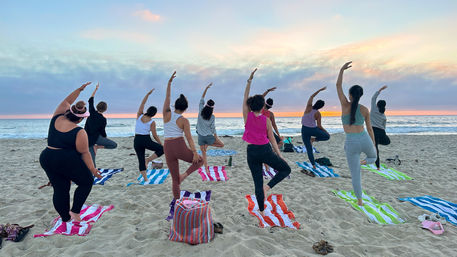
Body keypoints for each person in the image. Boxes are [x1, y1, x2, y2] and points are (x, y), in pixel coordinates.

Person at [39, 82, 102, 222]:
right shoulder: (79, 131)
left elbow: (68, 101)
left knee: (60, 188)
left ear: (70, 111)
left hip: (47, 157)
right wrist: (93, 170)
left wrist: (80, 89)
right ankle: (75, 212)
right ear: (80, 118)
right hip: (64, 159)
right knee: (86, 182)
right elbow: (85, 153)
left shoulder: (58, 115)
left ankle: (65, 218)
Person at [242, 69, 291, 216]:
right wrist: (279, 154)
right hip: (265, 150)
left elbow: (245, 97)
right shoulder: (267, 120)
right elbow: (272, 139)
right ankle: (267, 188)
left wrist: (249, 81)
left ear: (250, 106)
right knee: (286, 169)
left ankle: (262, 211)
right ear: (263, 107)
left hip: (251, 152)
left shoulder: (247, 115)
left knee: (257, 182)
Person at [336, 61, 377, 206]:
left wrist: (342, 70)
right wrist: (372, 144)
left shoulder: (344, 105)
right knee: (373, 156)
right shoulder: (365, 109)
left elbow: (338, 86)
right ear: (361, 96)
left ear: (350, 95)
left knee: (355, 174)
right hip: (364, 137)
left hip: (351, 142)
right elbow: (370, 129)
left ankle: (360, 201)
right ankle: (363, 162)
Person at [163, 71, 204, 199]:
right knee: (201, 160)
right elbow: (189, 138)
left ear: (174, 105)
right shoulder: (184, 120)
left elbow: (167, 97)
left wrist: (169, 83)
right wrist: (195, 152)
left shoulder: (166, 113)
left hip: (167, 147)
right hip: (179, 146)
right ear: (185, 108)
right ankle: (184, 176)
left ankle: (176, 203)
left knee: (174, 180)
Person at [134, 89, 164, 182]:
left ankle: (145, 179)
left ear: (147, 110)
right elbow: (155, 135)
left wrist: (147, 94)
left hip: (137, 140)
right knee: (162, 149)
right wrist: (161, 144)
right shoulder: (152, 122)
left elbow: (142, 103)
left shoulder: (139, 115)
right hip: (146, 140)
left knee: (140, 159)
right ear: (154, 114)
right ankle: (148, 160)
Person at [84, 83, 117, 167]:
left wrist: (96, 89)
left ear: (97, 106)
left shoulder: (92, 112)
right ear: (105, 109)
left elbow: (90, 100)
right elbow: (102, 131)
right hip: (95, 140)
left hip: (85, 138)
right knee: (114, 145)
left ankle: (96, 147)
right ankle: (97, 147)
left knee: (92, 163)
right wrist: (104, 138)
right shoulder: (103, 119)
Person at [197, 82, 224, 171]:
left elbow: (202, 98)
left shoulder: (201, 110)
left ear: (206, 105)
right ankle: (207, 144)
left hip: (200, 136)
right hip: (208, 136)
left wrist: (206, 88)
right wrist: (216, 138)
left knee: (204, 153)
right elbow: (213, 129)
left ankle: (206, 168)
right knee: (221, 144)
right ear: (212, 108)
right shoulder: (212, 117)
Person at [301, 86, 330, 169]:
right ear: (321, 107)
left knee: (309, 148)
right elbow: (319, 126)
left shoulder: (308, 107)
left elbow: (311, 96)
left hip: (304, 130)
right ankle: (314, 139)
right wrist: (326, 132)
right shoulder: (318, 113)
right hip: (313, 130)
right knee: (327, 137)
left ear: (316, 103)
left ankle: (313, 165)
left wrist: (320, 90)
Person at [371, 85, 390, 170]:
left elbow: (373, 98)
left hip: (374, 131)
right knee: (387, 142)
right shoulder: (383, 115)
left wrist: (380, 90)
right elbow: (384, 126)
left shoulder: (374, 109)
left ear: (377, 105)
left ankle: (378, 166)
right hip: (382, 132)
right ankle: (378, 166)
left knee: (376, 149)